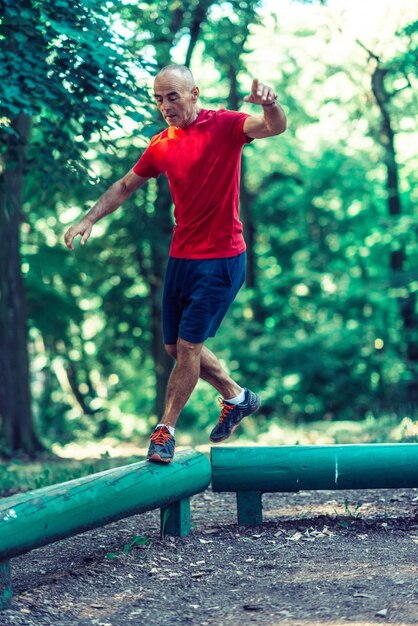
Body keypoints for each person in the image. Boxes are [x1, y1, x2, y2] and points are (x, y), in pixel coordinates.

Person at [64, 64, 287, 463]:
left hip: (221, 259)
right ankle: (237, 397)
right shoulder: (162, 144)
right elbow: (124, 185)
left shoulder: (227, 125)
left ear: (194, 93)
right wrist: (88, 217)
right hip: (182, 258)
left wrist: (271, 105)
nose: (165, 106)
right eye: (158, 99)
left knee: (188, 347)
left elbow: (274, 128)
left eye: (172, 96)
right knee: (175, 346)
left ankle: (164, 432)